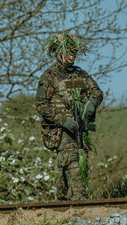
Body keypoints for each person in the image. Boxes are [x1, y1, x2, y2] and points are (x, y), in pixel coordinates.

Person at [36, 33, 103, 200]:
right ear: (59, 52)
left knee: (80, 160)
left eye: (74, 53)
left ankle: (64, 197)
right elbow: (41, 105)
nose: (71, 57)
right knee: (72, 159)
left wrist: (92, 104)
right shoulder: (49, 76)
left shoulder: (81, 74)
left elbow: (97, 92)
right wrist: (64, 121)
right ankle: (80, 198)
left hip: (80, 127)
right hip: (60, 130)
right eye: (68, 53)